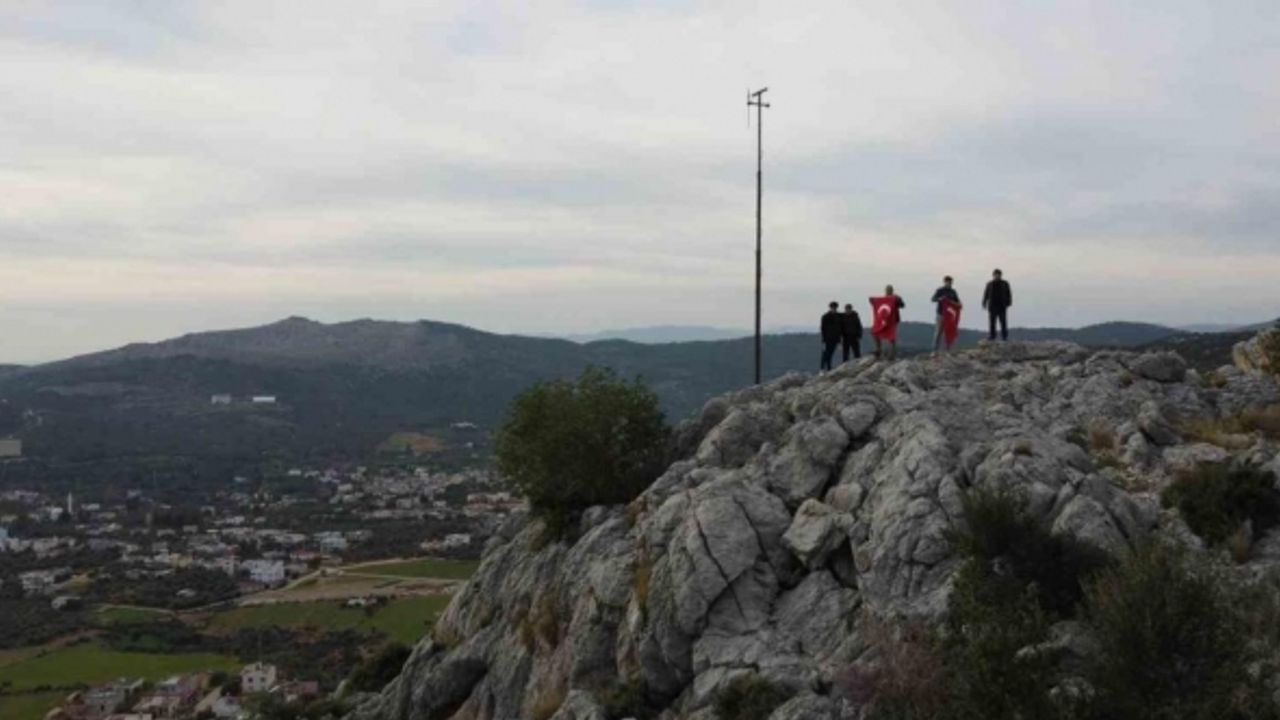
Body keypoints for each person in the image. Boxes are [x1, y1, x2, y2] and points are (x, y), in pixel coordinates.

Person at [870, 285, 905, 360]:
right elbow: (876, 304)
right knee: (875, 332)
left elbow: (902, 305)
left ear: (892, 290)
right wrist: (872, 300)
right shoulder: (884, 299)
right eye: (887, 290)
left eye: (889, 290)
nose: (888, 291)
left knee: (891, 337)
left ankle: (891, 354)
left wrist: (897, 300)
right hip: (883, 320)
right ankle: (878, 350)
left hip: (892, 321)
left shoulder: (895, 298)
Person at [930, 276, 962, 353]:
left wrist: (953, 303)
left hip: (950, 316)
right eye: (948, 282)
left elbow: (958, 302)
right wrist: (940, 299)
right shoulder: (940, 290)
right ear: (945, 282)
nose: (950, 284)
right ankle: (935, 350)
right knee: (938, 332)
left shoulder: (953, 292)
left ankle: (947, 350)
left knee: (948, 332)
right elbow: (933, 299)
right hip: (940, 314)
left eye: (951, 283)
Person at [982, 269, 1013, 341]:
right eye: (996, 275)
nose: (997, 276)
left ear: (1001, 275)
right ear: (993, 275)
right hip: (992, 306)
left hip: (1002, 306)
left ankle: (1004, 336)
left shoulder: (1005, 283)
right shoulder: (989, 284)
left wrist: (1009, 302)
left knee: (1003, 322)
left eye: (998, 275)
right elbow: (986, 294)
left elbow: (1009, 293)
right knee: (992, 322)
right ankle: (992, 336)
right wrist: (984, 302)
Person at [820, 301, 841, 371]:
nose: (834, 309)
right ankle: (822, 368)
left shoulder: (839, 316)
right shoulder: (825, 316)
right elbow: (823, 329)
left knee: (831, 353)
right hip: (827, 338)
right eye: (833, 308)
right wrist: (823, 339)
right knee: (825, 353)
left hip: (835, 338)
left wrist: (839, 340)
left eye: (835, 308)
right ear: (830, 308)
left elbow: (840, 328)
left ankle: (829, 367)